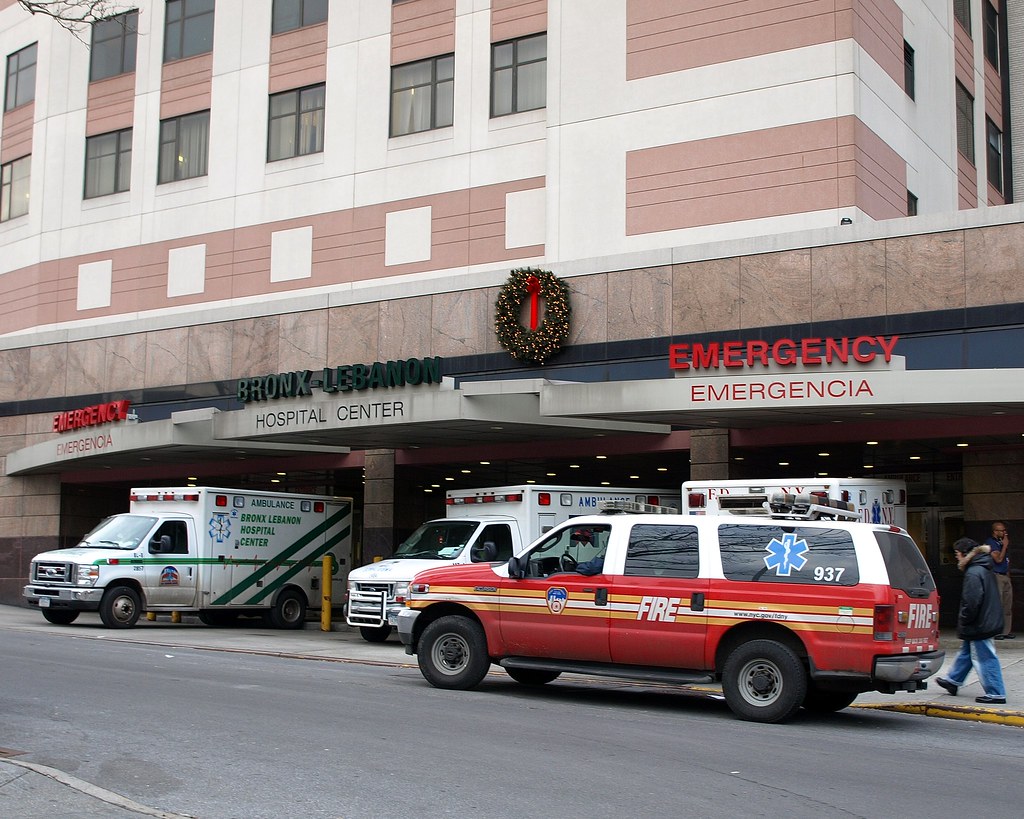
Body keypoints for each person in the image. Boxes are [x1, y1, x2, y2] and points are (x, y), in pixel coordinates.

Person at [935, 537, 1007, 705]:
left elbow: (972, 601)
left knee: (985, 656)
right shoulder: (983, 566)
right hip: (986, 619)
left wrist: (965, 619)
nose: (956, 557)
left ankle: (996, 692)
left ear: (965, 554)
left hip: (981, 622)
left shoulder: (974, 572)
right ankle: (953, 680)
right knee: (968, 651)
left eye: (957, 554)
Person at [985, 521, 1014, 639]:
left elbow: (1006, 561)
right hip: (996, 575)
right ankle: (997, 631)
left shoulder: (1001, 542)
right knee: (998, 604)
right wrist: (1005, 545)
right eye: (1001, 530)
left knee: (1008, 604)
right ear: (995, 531)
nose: (1004, 533)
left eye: (1004, 530)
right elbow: (998, 559)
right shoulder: (991, 542)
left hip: (1005, 575)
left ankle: (1006, 631)